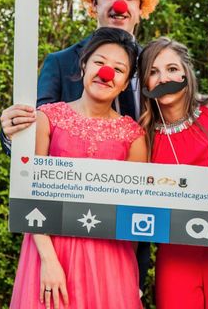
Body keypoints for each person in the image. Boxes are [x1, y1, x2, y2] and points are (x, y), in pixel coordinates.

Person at [0, 0, 161, 293]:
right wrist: (11, 133)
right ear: (94, 4)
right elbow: (32, 140)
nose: (119, 3)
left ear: (141, 7)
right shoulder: (61, 62)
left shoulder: (155, 67)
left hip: (121, 242)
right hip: (59, 232)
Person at [10, 27, 147, 309]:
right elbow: (30, 192)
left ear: (124, 84)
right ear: (83, 66)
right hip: (49, 250)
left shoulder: (133, 136)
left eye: (118, 69)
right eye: (99, 62)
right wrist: (47, 260)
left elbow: (135, 212)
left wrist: (127, 275)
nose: (106, 72)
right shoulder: (48, 118)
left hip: (110, 258)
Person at [138, 37, 208, 309]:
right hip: (176, 256)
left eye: (171, 69)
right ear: (144, 82)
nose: (163, 78)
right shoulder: (141, 136)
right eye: (153, 72)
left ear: (186, 72)